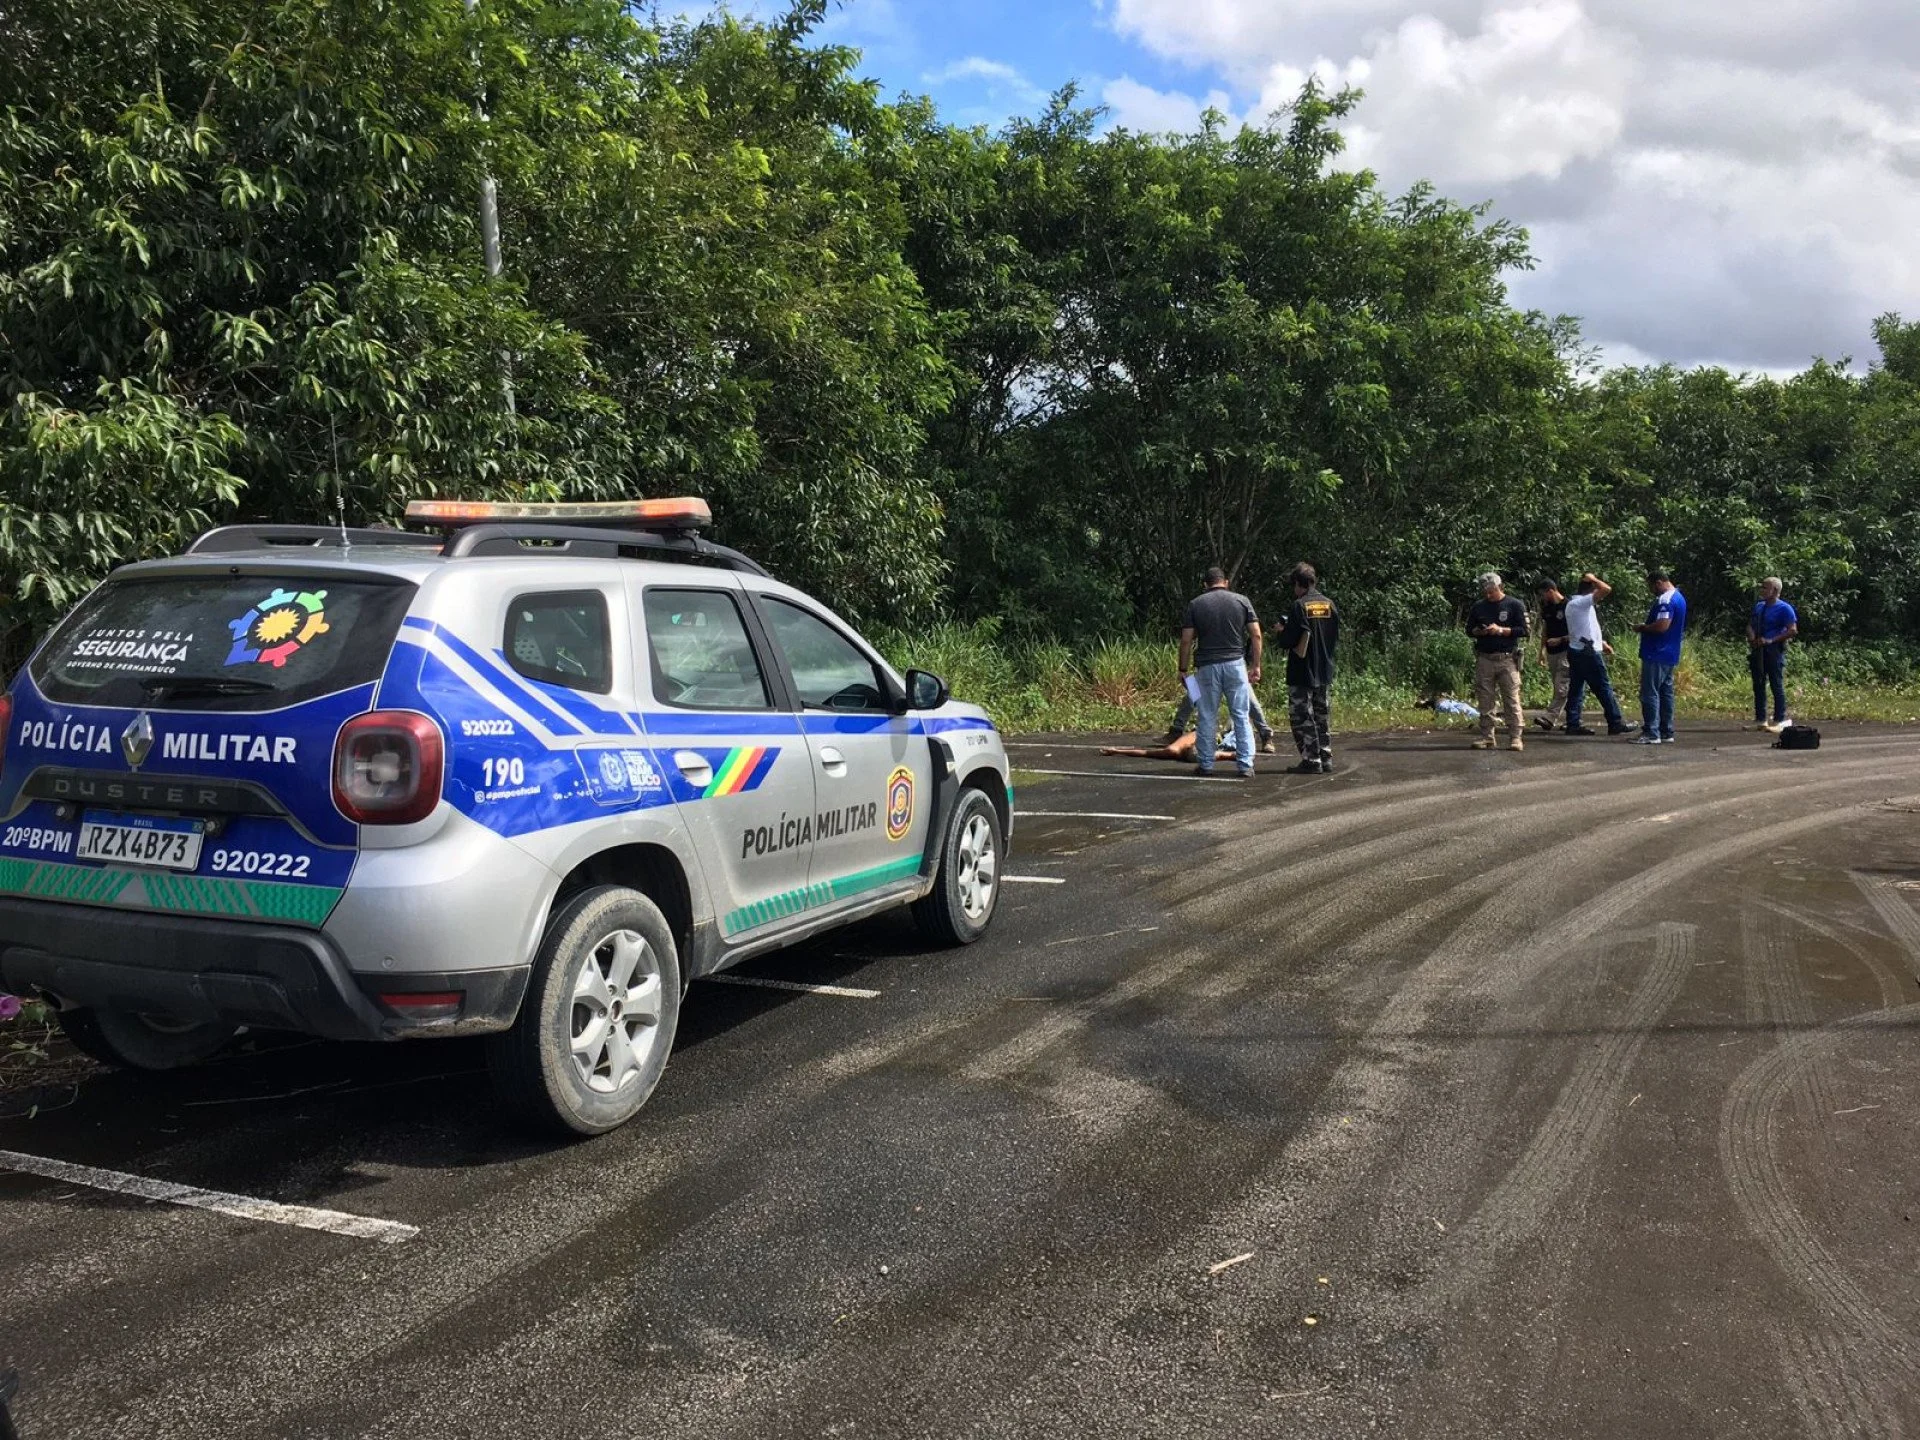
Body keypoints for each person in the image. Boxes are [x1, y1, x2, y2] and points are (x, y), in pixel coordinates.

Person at [1178, 566, 1262, 778]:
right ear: (1225, 582)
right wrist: (1256, 665)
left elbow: (1186, 640)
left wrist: (1183, 669)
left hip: (1207, 666)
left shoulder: (1196, 604)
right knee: (1241, 714)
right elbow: (1256, 635)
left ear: (1205, 585)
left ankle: (1206, 764)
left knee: (1207, 715)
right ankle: (1245, 765)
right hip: (1235, 664)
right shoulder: (1242, 601)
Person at [1273, 562, 1339, 774]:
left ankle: (1311, 759)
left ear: (1298, 584)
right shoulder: (1329, 604)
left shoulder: (1299, 606)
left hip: (1302, 669)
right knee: (1321, 714)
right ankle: (1325, 756)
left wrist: (1281, 631)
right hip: (1324, 668)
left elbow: (1291, 639)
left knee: (1302, 716)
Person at [1560, 573, 1636, 736]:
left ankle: (1573, 722)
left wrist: (1601, 643)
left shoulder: (1576, 604)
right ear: (1592, 589)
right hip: (1587, 653)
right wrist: (1593, 579)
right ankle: (1615, 722)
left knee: (1577, 688)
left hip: (1578, 649)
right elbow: (1606, 589)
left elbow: (1585, 628)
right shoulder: (1580, 603)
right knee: (1603, 687)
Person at [1465, 572, 1528, 751]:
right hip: (1485, 658)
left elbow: (1524, 630)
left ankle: (1515, 737)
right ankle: (1487, 736)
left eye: (1491, 591)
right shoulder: (1478, 607)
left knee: (1511, 698)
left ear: (1500, 587)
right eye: (1485, 592)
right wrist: (1480, 631)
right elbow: (1469, 630)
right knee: (1485, 699)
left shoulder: (1514, 605)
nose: (1488, 595)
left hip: (1507, 658)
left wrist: (1501, 630)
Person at [1163, 663, 1277, 752]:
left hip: (1231, 665)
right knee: (1192, 693)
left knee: (1249, 698)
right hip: (1210, 666)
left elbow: (1252, 641)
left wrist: (1253, 665)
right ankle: (1176, 730)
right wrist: (1184, 669)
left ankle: (1266, 735)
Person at [1631, 567, 1688, 744]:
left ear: (1658, 583)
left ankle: (1651, 732)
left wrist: (1642, 628)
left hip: (1657, 653)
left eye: (1651, 587)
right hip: (1670, 653)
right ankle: (1666, 731)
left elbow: (1663, 625)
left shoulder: (1666, 599)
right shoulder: (1679, 597)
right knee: (1665, 693)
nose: (1651, 591)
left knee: (1650, 693)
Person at [1746, 577, 1798, 732]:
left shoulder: (1785, 608)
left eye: (1765, 587)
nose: (1762, 590)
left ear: (1775, 591)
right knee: (1758, 683)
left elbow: (1792, 630)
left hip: (1774, 650)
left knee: (1776, 683)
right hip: (1758, 649)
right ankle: (1761, 719)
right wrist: (1752, 637)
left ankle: (1779, 719)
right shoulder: (1759, 606)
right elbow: (1750, 624)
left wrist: (1771, 640)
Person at [1533, 578, 1572, 732]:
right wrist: (1541, 651)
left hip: (1566, 651)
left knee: (1562, 686)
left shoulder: (1568, 606)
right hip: (1552, 653)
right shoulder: (1547, 608)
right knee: (1561, 686)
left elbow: (1577, 632)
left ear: (1550, 591)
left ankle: (1550, 718)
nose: (1542, 598)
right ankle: (1573, 718)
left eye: (1543, 594)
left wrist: (1561, 639)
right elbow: (1545, 630)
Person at [1102, 732, 1237, 763]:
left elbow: (1146, 752)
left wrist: (1118, 751)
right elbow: (1233, 755)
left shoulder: (1174, 750)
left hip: (1210, 732)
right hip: (1219, 737)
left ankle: (1188, 679)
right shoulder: (1211, 753)